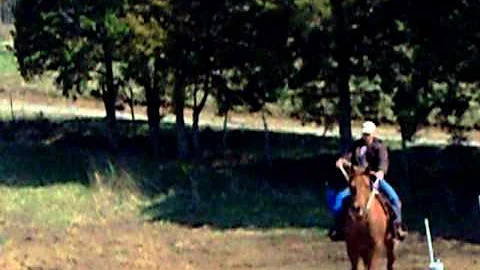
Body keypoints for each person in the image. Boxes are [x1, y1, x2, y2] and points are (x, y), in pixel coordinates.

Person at [327, 120, 407, 241]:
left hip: (374, 180)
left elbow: (383, 162)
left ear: (373, 134)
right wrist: (342, 160)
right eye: (364, 134)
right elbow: (347, 156)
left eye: (368, 134)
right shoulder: (357, 145)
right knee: (339, 198)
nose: (366, 137)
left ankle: (397, 227)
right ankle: (338, 228)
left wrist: (380, 171)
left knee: (394, 199)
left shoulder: (380, 147)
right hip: (358, 180)